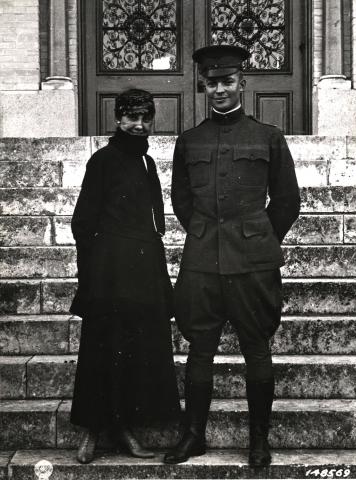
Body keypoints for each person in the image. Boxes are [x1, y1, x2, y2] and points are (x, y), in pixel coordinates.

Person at [164, 45, 300, 467]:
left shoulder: (268, 137)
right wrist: (209, 237)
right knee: (199, 350)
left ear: (243, 83)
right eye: (211, 83)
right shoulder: (190, 141)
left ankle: (259, 441)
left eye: (227, 81)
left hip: (253, 266)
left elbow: (287, 201)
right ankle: (194, 436)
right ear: (202, 85)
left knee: (257, 350)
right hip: (202, 264)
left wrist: (256, 239)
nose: (219, 89)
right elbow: (182, 201)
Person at [69, 88, 180, 464]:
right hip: (108, 273)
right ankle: (91, 430)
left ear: (153, 121)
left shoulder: (148, 164)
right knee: (101, 350)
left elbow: (156, 224)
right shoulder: (102, 160)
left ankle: (125, 428)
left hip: (143, 272)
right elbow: (82, 223)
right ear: (117, 119)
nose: (138, 125)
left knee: (134, 353)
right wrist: (92, 278)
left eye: (145, 117)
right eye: (131, 117)